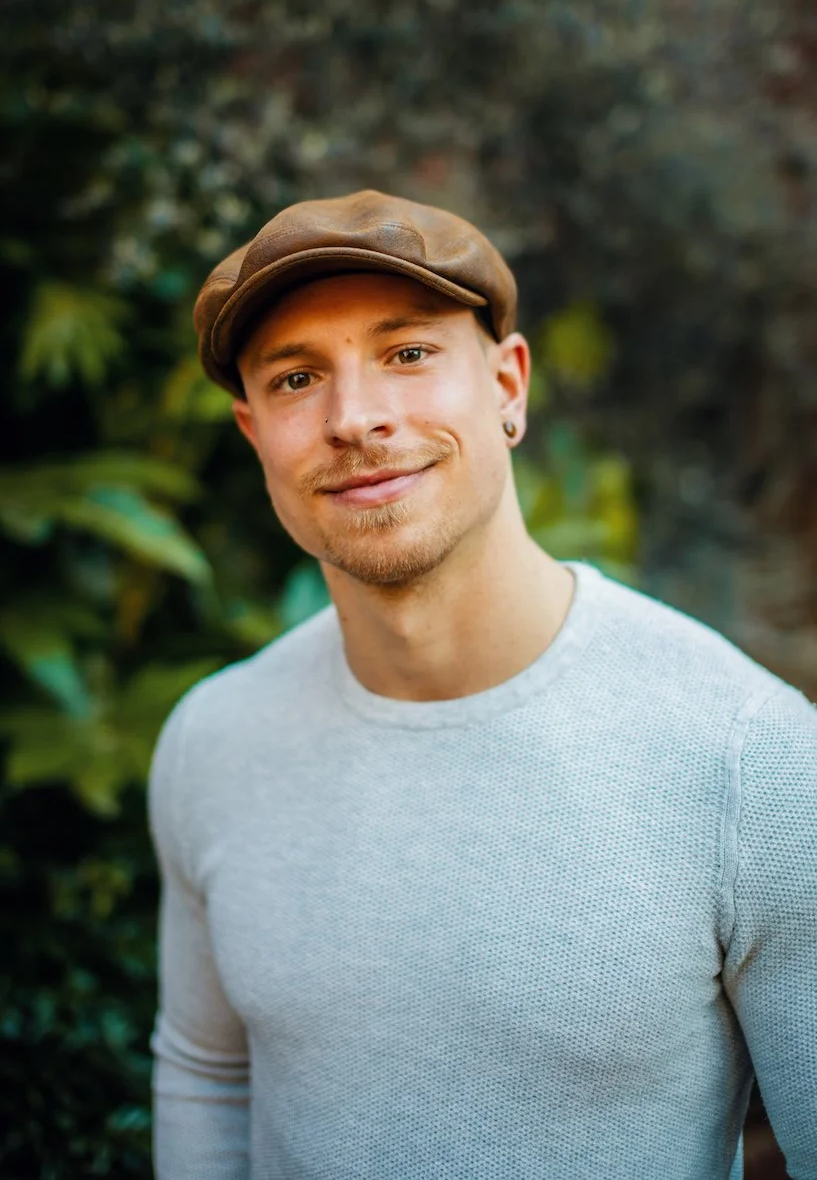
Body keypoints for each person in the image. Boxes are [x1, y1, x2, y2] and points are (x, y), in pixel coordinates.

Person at [148, 189, 817, 1179]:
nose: (356, 418)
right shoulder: (213, 739)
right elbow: (207, 1074)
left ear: (508, 386)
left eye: (407, 352)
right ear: (255, 435)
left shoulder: (747, 754)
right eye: (297, 378)